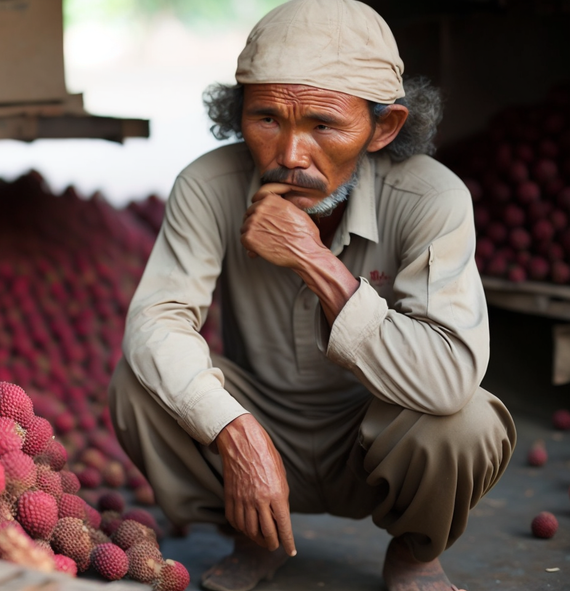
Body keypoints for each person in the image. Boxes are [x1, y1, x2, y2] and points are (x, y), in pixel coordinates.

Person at [107, 1, 516, 590]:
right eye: (266, 119)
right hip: (261, 424)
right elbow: (156, 323)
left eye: (324, 125)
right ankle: (255, 537)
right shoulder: (208, 185)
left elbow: (450, 376)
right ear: (238, 114)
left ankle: (415, 554)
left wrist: (314, 260)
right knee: (138, 384)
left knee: (467, 421)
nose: (291, 154)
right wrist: (235, 431)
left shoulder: (434, 199)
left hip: (378, 438)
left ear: (384, 127)